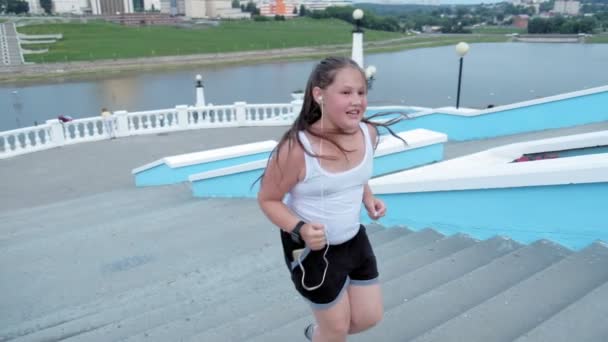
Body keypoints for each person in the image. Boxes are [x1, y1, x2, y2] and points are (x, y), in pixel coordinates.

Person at [258, 57, 400, 341]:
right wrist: (301, 228)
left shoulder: (368, 134)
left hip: (354, 240)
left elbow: (355, 175)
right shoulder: (297, 149)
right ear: (319, 94)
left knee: (369, 317)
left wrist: (368, 196)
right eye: (346, 92)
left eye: (361, 92)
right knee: (336, 331)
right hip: (314, 253)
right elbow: (268, 200)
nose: (356, 100)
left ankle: (317, 335)